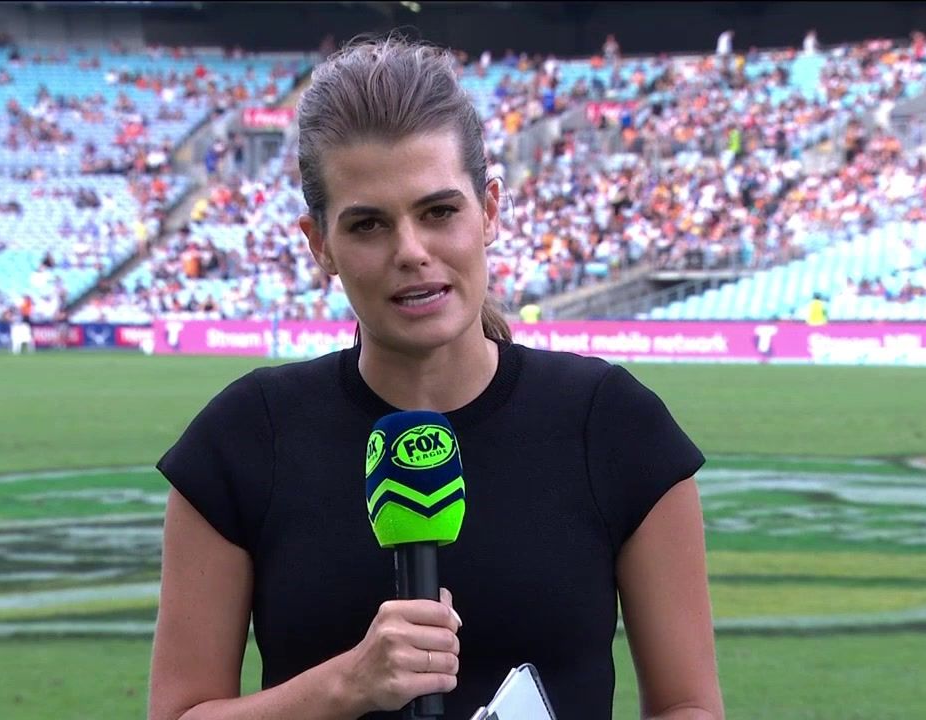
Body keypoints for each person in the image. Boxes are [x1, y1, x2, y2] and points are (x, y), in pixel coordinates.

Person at [148, 35, 724, 720]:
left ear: (490, 210)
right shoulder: (244, 438)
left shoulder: (615, 424)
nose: (411, 251)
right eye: (368, 225)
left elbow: (689, 706)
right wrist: (345, 685)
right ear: (319, 244)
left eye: (439, 212)